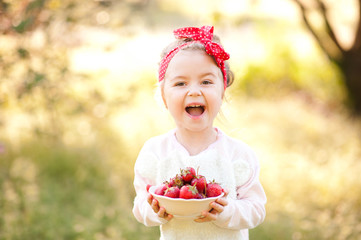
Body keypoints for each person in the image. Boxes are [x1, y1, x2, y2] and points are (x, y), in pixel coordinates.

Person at [132, 26, 266, 240]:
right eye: (180, 83)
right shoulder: (155, 152)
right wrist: (155, 211)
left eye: (206, 81)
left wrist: (227, 211)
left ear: (223, 91)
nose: (194, 91)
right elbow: (140, 205)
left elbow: (257, 209)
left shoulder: (238, 154)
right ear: (164, 95)